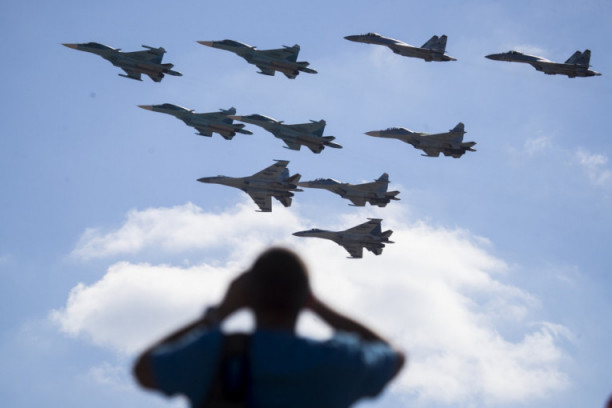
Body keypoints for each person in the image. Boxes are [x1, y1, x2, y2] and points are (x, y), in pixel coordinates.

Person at [133, 247, 405, 407]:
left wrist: (219, 314)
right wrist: (318, 307)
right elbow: (393, 355)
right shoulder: (338, 361)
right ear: (305, 298)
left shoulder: (211, 354)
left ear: (247, 296)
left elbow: (143, 369)